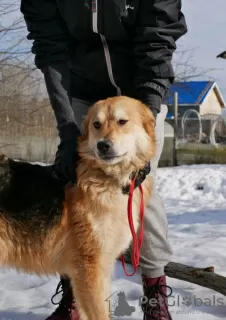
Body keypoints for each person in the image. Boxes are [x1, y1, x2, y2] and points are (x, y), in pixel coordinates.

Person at [20, 1, 187, 319]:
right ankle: (77, 291)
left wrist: (146, 112)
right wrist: (69, 129)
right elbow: (50, 49)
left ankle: (154, 290)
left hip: (140, 90)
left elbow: (158, 35)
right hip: (82, 93)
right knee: (75, 190)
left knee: (141, 194)